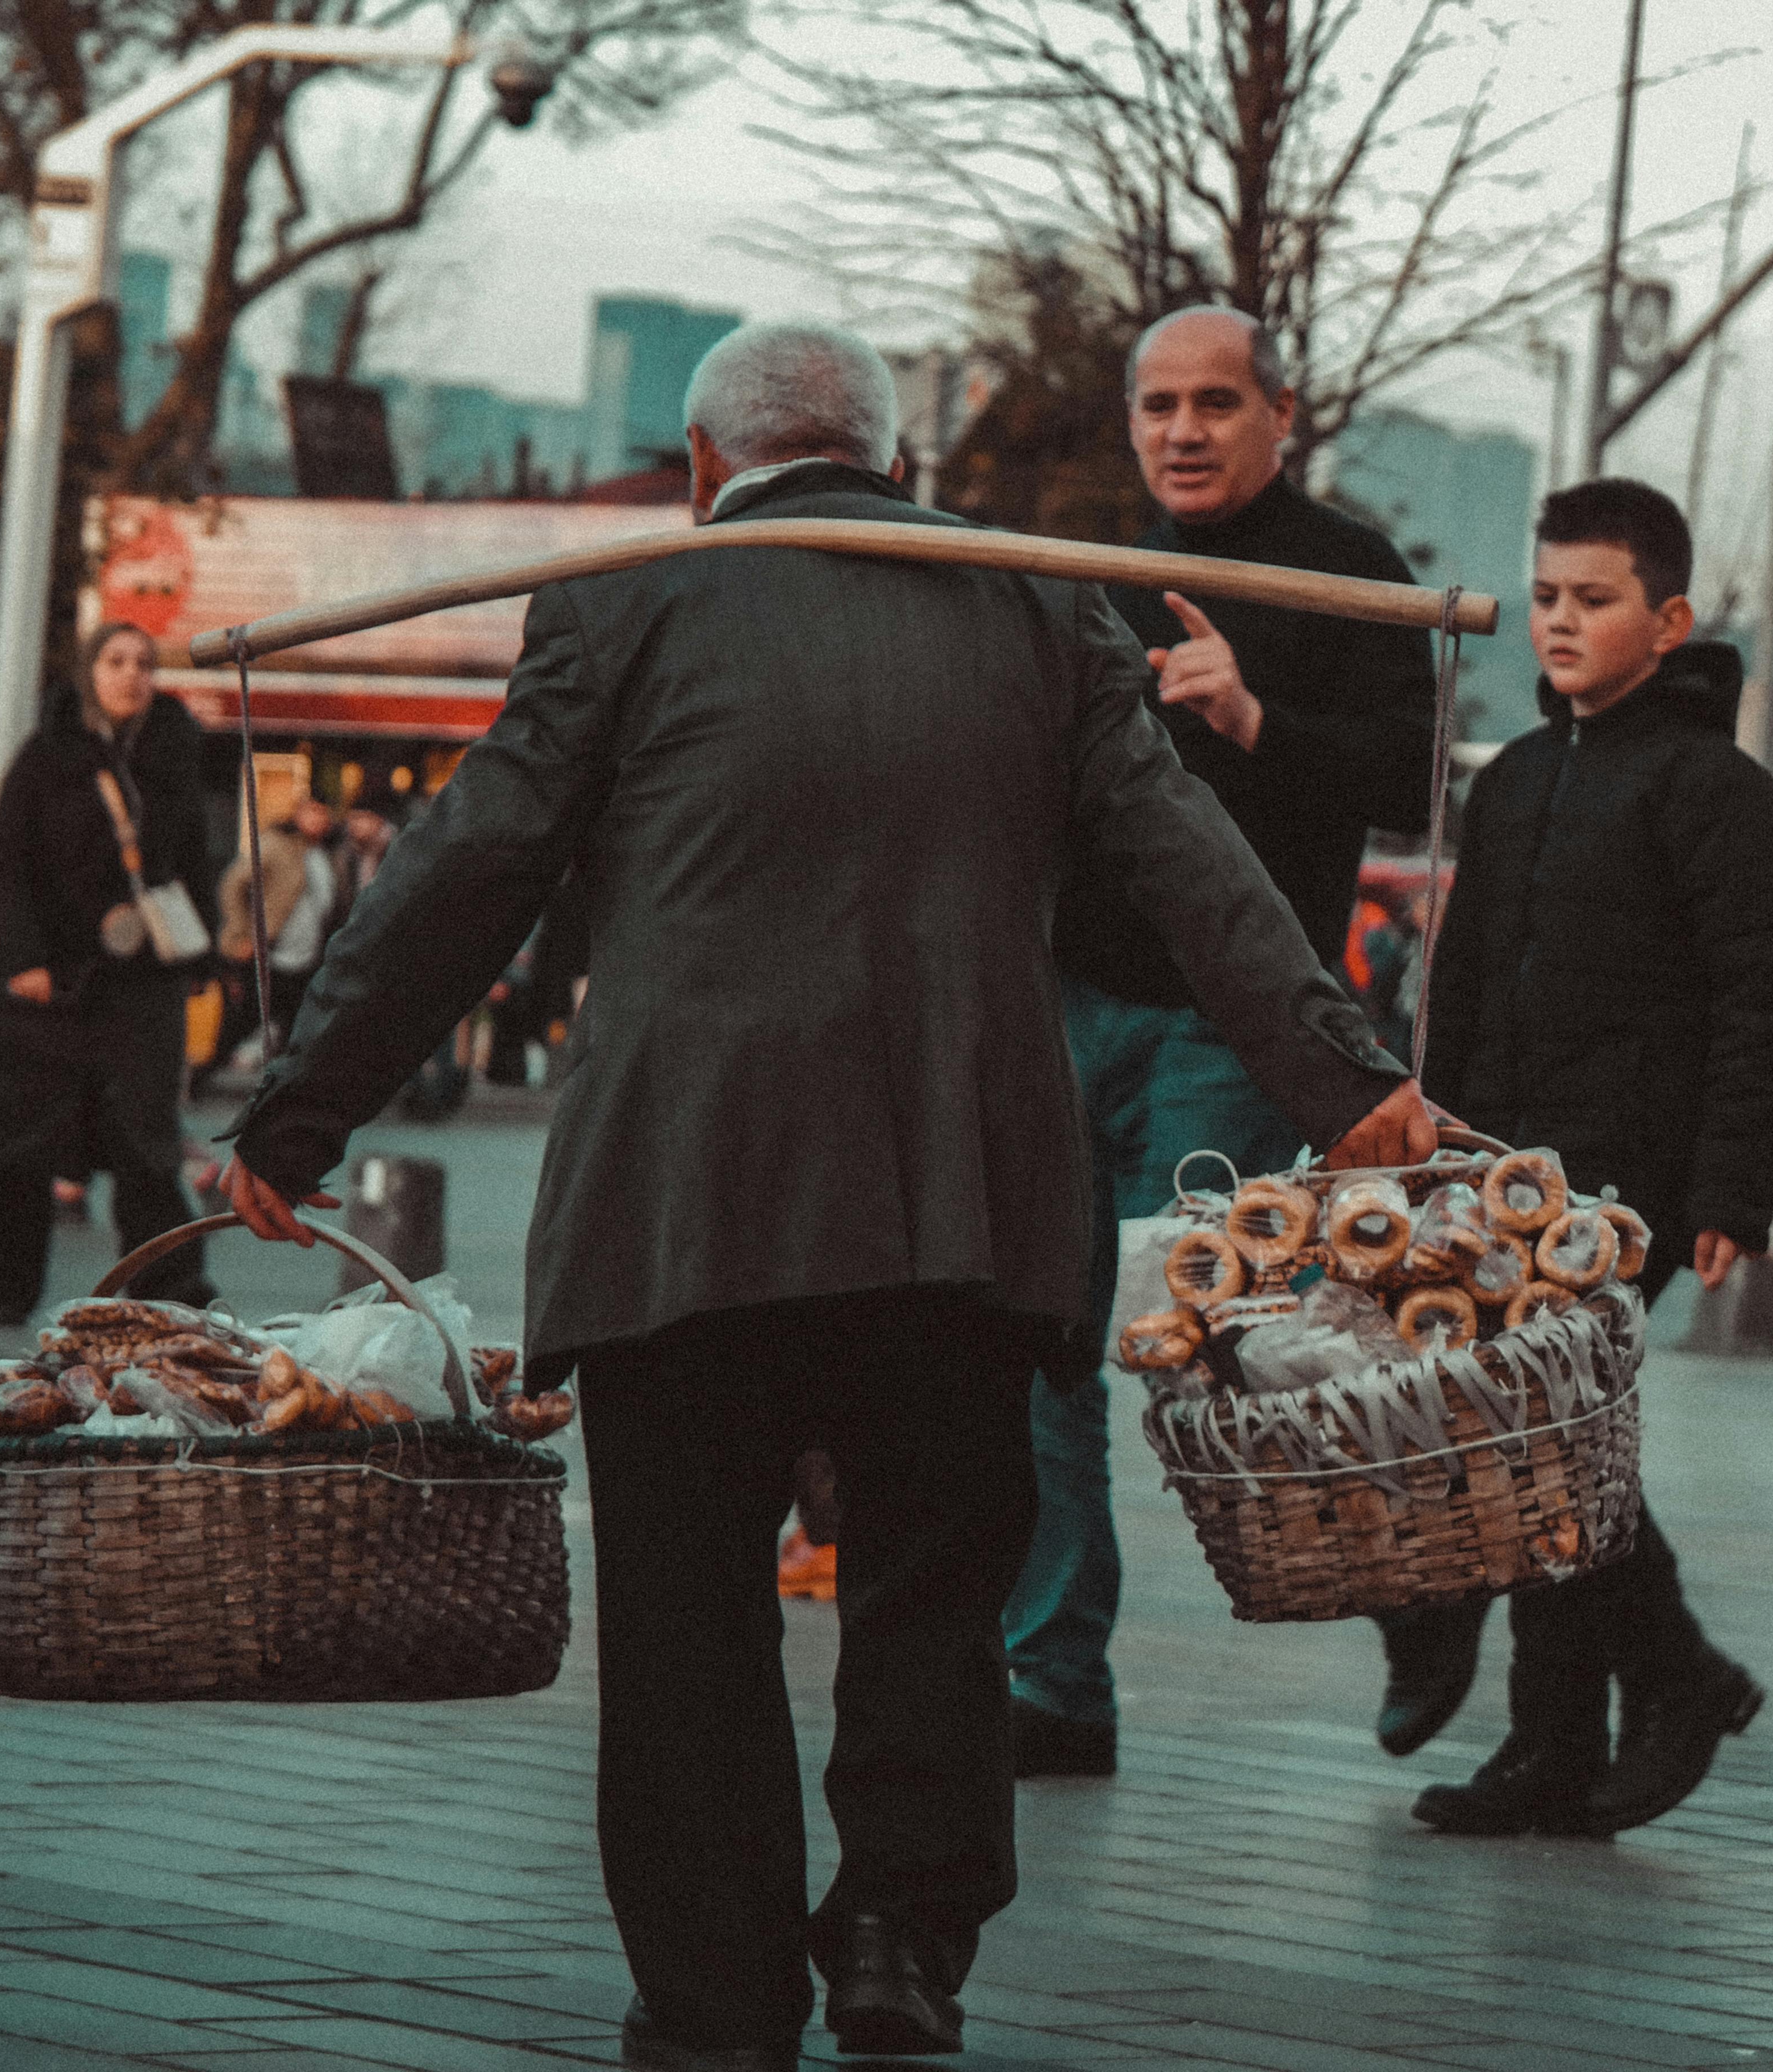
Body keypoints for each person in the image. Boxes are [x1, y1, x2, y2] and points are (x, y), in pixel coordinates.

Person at [211, 320, 1434, 2071]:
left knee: (692, 1617)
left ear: (709, 468)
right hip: (960, 1210)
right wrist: (1350, 1078)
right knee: (935, 1588)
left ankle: (715, 2003)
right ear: (896, 463)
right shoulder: (1035, 603)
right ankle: (898, 1935)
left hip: (684, 1207)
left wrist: (297, 1116)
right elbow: (1188, 860)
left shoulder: (626, 599)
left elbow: (468, 864)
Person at [1012, 304, 1436, 1779]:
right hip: (1071, 1005)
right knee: (1046, 1335)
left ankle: (1411, 1575)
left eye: (1213, 402)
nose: (1182, 430)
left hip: (1235, 1022)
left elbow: (1415, 783)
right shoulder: (1084, 580)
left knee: (1207, 1347)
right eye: (1157, 406)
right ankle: (1051, 1678)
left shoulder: (1354, 574)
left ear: (1281, 413)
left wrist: (1255, 719)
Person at [1383, 477, 1773, 1837]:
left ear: (1667, 619)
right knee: (1538, 1449)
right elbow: (1460, 984)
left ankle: (1669, 1681)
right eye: (1547, 597)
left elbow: (1758, 1006)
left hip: (1633, 1191)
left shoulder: (1714, 791)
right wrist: (1427, 1150)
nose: (1559, 623)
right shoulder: (1513, 777)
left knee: (1547, 1448)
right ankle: (1558, 1740)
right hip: (1499, 1181)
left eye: (1594, 600)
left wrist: (1730, 1192)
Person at [0, 623, 218, 1324]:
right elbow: (7, 865)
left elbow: (194, 864)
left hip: (142, 982)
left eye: (144, 665)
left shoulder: (174, 756)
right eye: (116, 662)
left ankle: (173, 1298)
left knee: (149, 1144)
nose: (131, 676)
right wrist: (27, 959)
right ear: (89, 672)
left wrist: (200, 952)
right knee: (18, 1141)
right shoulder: (46, 758)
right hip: (50, 988)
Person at [205, 791, 336, 1088]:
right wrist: (243, 933)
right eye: (311, 812)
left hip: (307, 956)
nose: (318, 820)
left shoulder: (322, 853)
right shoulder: (277, 845)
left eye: (323, 814)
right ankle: (201, 1078)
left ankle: (284, 1087)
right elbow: (233, 885)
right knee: (243, 1021)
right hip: (270, 954)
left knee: (297, 1026)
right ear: (297, 813)